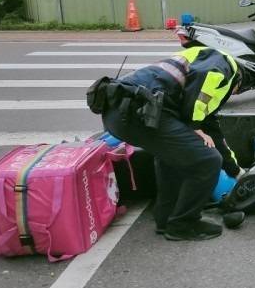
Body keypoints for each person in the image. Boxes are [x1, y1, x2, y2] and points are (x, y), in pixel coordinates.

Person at [93, 46, 243, 241]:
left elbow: (212, 129)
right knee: (208, 160)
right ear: (239, 80)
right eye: (236, 91)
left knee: (172, 157)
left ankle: (166, 218)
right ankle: (183, 223)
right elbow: (204, 77)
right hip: (138, 110)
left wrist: (234, 170)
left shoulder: (199, 54)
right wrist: (193, 125)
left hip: (117, 109)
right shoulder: (226, 66)